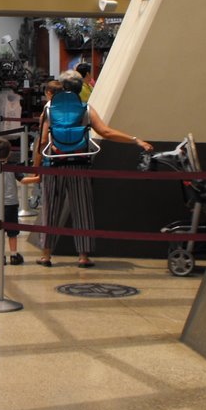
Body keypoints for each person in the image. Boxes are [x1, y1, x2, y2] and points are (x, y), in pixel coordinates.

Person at [35, 70, 153, 268]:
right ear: (79, 89)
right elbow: (106, 131)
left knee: (50, 209)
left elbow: (43, 140)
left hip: (54, 164)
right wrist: (135, 140)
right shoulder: (86, 108)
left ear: (62, 88)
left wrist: (37, 167)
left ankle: (46, 255)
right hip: (80, 162)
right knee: (82, 209)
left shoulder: (48, 109)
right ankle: (83, 256)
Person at [0, 137, 39, 265]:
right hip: (11, 205)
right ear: (9, 153)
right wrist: (37, 178)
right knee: (12, 232)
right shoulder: (12, 168)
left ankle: (0, 256)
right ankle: (14, 255)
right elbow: (23, 181)